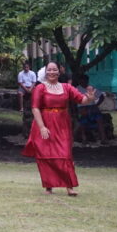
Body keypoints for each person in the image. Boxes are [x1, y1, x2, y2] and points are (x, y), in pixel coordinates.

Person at [24, 62, 95, 196]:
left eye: (54, 70)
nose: (51, 72)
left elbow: (81, 99)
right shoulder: (40, 88)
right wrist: (42, 127)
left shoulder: (67, 87)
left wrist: (89, 98)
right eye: (49, 70)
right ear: (45, 72)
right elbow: (35, 108)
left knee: (65, 154)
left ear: (59, 72)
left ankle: (69, 186)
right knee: (46, 155)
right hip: (45, 123)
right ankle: (49, 186)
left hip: (62, 125)